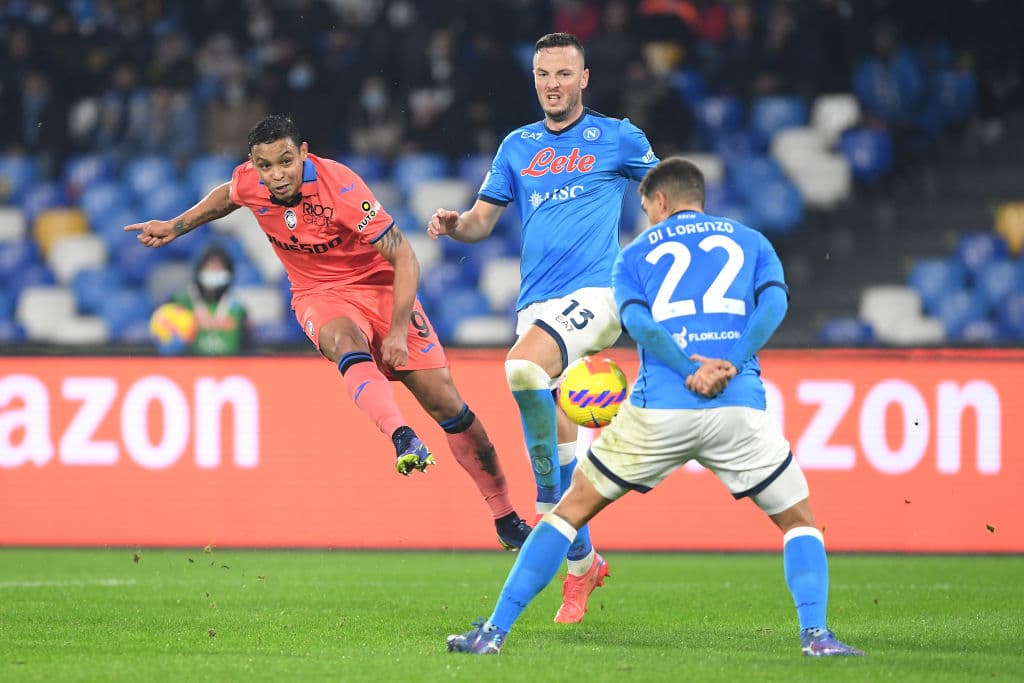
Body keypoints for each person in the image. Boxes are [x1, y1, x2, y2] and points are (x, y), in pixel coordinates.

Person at [446, 157, 866, 657]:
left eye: (646, 208)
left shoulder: (635, 254)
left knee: (566, 513)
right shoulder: (752, 241)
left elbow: (641, 326)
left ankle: (493, 633)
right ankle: (816, 636)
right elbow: (775, 305)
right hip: (737, 407)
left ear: (661, 201)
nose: (647, 217)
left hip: (659, 410)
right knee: (799, 521)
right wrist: (728, 363)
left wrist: (687, 368)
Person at [125, 114, 532, 550]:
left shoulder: (341, 187)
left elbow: (405, 258)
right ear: (254, 165)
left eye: (285, 161)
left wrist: (397, 332)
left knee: (450, 408)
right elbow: (228, 195)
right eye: (265, 166)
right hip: (318, 294)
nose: (277, 174)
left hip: (380, 288)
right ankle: (402, 435)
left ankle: (505, 515)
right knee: (344, 342)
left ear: (303, 153)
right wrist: (175, 226)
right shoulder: (250, 181)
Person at [427, 32, 658, 623]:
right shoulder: (517, 145)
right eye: (542, 74)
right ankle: (582, 563)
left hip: (598, 294)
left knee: (523, 366)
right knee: (559, 441)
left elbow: (666, 194)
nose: (552, 84)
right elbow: (481, 222)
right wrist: (455, 225)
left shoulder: (618, 137)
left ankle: (547, 502)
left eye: (563, 73)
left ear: (584, 79)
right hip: (537, 305)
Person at [169, 242, 248, 356]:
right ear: (199, 270)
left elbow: (246, 344)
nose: (214, 272)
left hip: (229, 364)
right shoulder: (181, 301)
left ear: (229, 272)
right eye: (209, 267)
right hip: (190, 363)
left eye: (219, 268)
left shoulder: (237, 307)